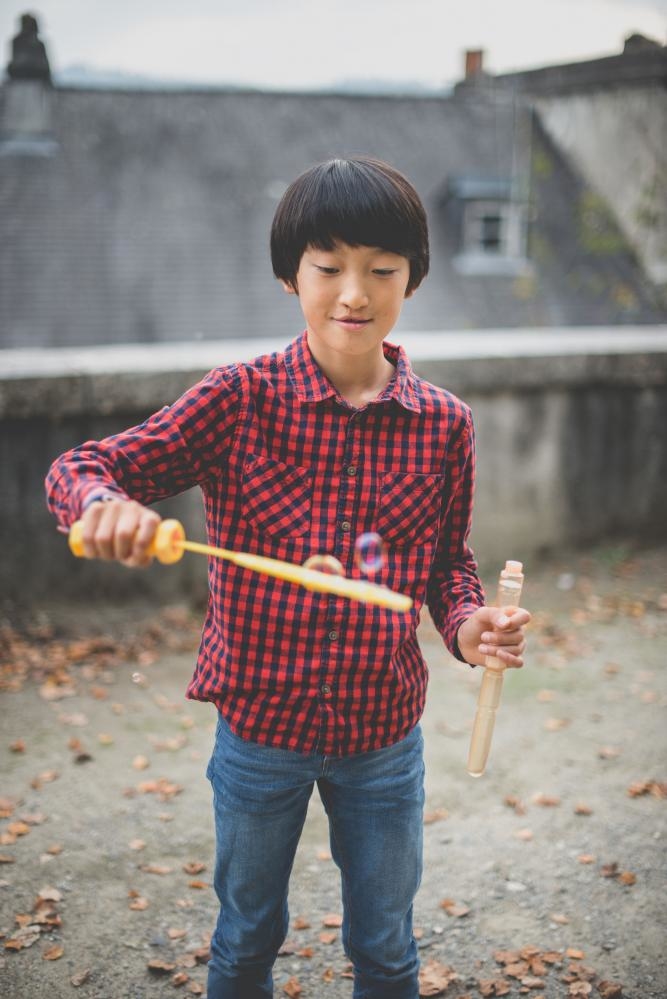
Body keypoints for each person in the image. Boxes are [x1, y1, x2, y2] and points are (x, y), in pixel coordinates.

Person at [45, 156, 530, 999]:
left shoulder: (444, 424)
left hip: (384, 731)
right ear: (288, 275)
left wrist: (466, 624)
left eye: (381, 269)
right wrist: (101, 505)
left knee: (386, 946)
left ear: (413, 277)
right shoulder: (237, 399)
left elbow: (446, 563)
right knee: (244, 941)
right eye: (328, 266)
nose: (354, 293)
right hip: (259, 728)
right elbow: (83, 466)